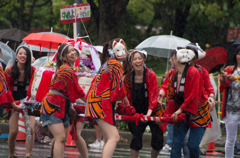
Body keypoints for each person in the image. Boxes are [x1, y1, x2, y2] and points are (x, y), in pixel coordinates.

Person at [40, 43, 86, 158]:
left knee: (59, 138)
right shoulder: (66, 70)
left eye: (73, 50)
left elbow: (71, 92)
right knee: (60, 138)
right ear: (63, 57)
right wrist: (91, 102)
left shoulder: (66, 68)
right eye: (69, 52)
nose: (73, 53)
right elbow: (78, 91)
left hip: (61, 106)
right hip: (53, 105)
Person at [86, 38, 129, 158]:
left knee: (108, 138)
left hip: (97, 102)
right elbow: (119, 89)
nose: (124, 51)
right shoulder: (115, 64)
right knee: (114, 137)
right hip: (101, 103)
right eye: (122, 49)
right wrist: (128, 103)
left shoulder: (108, 63)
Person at [158, 48, 203, 158]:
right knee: (176, 143)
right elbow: (172, 99)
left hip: (198, 113)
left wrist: (180, 110)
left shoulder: (194, 72)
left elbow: (192, 95)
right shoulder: (173, 74)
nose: (170, 61)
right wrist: (165, 117)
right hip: (181, 113)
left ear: (178, 59)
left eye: (172, 58)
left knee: (192, 145)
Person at [123, 50, 164, 158]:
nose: (137, 61)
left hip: (153, 110)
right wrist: (131, 112)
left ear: (143, 60)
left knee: (158, 139)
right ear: (131, 62)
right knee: (136, 139)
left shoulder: (151, 75)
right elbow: (126, 97)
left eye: (139, 58)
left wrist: (148, 114)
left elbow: (153, 96)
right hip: (135, 111)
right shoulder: (128, 78)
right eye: (134, 59)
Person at [5, 45, 36, 158]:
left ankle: (28, 155)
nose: (23, 56)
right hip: (13, 102)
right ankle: (11, 154)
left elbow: (35, 88)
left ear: (29, 57)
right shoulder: (9, 71)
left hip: (29, 102)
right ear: (16, 56)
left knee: (30, 129)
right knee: (13, 131)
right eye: (21, 53)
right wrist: (13, 104)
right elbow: (7, 90)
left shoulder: (33, 71)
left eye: (26, 54)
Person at [220, 45, 240, 158]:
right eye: (238, 54)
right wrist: (224, 77)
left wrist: (236, 78)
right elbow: (223, 84)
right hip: (231, 108)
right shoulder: (229, 69)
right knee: (230, 139)